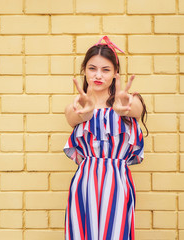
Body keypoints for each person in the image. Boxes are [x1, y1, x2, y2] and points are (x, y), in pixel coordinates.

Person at [63, 36, 149, 240]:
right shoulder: (78, 105)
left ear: (115, 74)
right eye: (92, 68)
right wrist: (85, 112)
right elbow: (73, 117)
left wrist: (122, 107)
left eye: (106, 70)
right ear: (84, 70)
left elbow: (135, 109)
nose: (98, 75)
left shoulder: (129, 100)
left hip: (117, 181)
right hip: (85, 183)